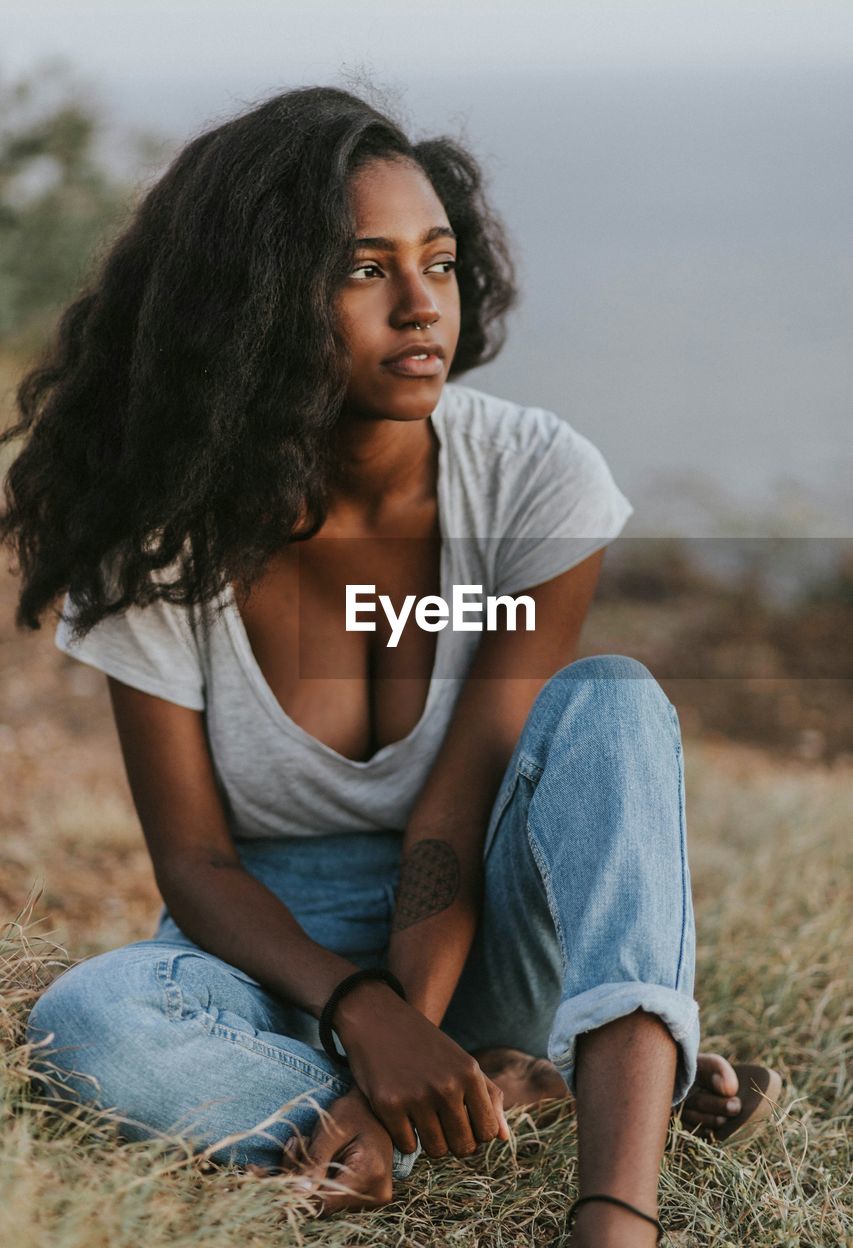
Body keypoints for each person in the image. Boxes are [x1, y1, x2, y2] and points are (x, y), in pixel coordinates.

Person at [1, 85, 779, 1247]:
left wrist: (404, 1029)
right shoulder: (164, 532)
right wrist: (359, 1016)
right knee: (90, 1022)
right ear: (260, 296)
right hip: (267, 957)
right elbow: (198, 863)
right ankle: (519, 1094)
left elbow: (456, 809)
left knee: (612, 697)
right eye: (365, 269)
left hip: (487, 924)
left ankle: (616, 1202)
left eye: (441, 261)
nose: (422, 306)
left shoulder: (533, 477)